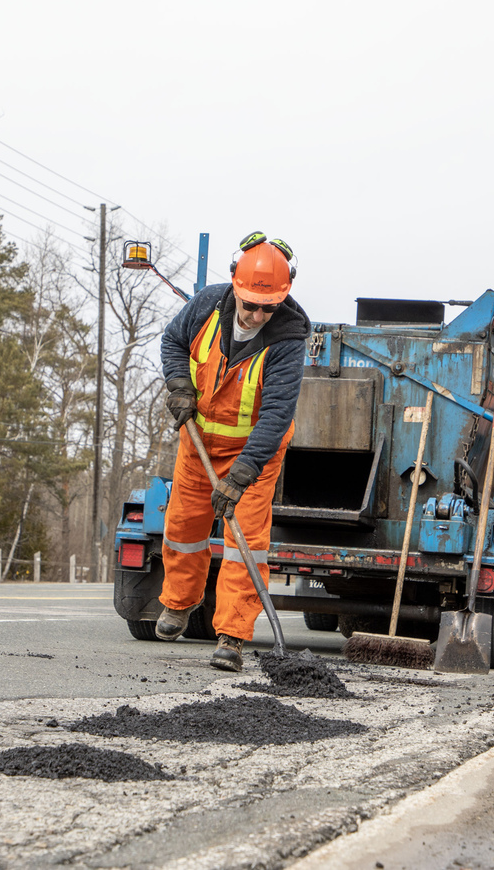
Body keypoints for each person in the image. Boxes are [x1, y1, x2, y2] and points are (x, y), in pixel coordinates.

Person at [154, 231, 311, 671]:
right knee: (183, 526)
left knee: (247, 545)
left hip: (254, 455)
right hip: (199, 441)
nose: (259, 313)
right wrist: (180, 386)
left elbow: (277, 413)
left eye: (269, 306)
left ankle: (232, 636)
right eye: (251, 304)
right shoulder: (205, 306)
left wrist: (241, 475)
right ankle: (179, 604)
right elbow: (171, 343)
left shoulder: (288, 338)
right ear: (234, 287)